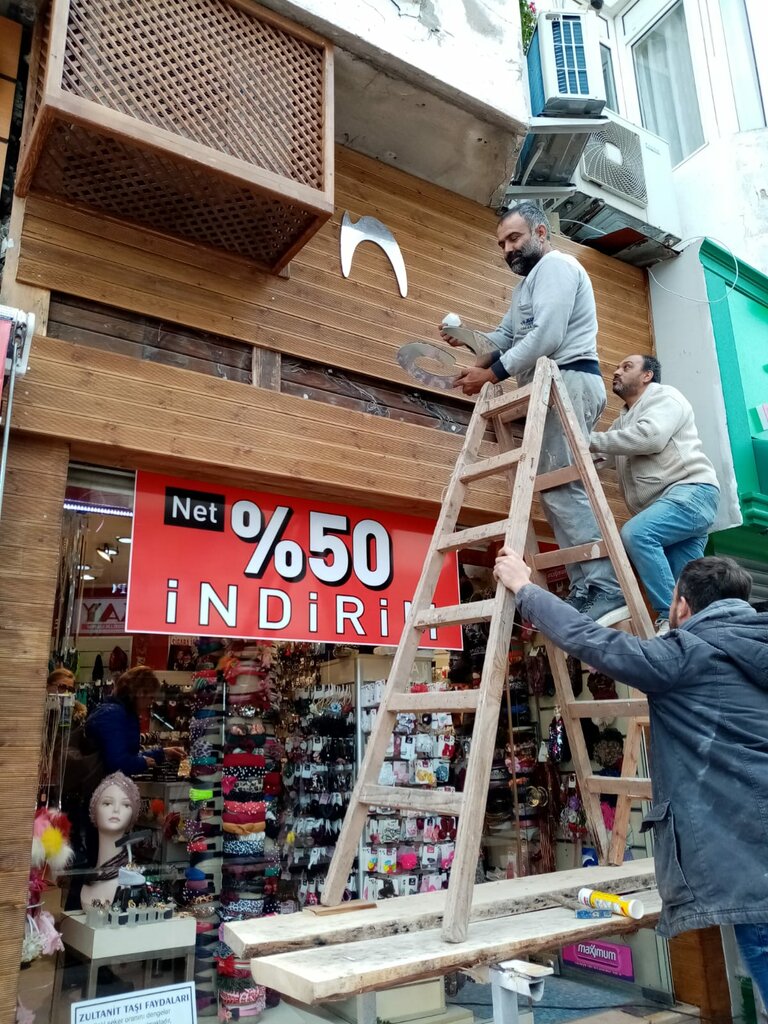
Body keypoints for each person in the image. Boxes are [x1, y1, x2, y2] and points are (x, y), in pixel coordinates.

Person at [493, 548, 768, 1003]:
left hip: (751, 868)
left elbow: (591, 640)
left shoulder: (685, 655)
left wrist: (525, 588)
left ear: (682, 605)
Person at [442, 201, 624, 622]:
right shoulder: (525, 287)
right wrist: (465, 337)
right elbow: (503, 339)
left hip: (569, 380)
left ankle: (604, 586)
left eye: (514, 238)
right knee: (553, 489)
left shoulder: (557, 266)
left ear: (541, 233)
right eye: (501, 244)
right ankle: (587, 586)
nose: (507, 249)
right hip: (551, 389)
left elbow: (547, 336)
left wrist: (491, 375)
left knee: (562, 487)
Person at [590, 354, 720, 631]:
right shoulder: (623, 422)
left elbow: (650, 437)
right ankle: (691, 634)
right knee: (687, 590)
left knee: (637, 534)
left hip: (691, 493)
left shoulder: (665, 397)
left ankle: (667, 617)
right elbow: (600, 455)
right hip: (671, 505)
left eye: (627, 366)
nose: (616, 371)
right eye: (617, 367)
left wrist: (587, 438)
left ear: (647, 375)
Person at [85, 666, 184, 776]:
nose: (151, 703)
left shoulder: (121, 713)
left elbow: (125, 755)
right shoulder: (113, 715)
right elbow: (116, 764)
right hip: (103, 784)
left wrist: (162, 753)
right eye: (151, 697)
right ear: (141, 693)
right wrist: (142, 763)